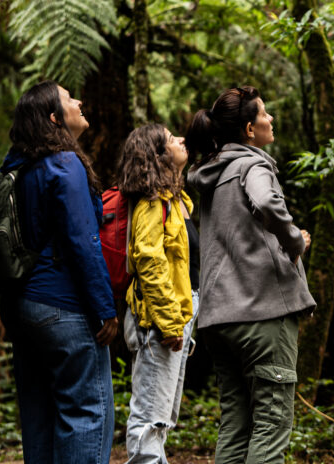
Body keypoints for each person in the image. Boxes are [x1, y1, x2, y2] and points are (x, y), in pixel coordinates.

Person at [185, 85, 315, 464]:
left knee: (236, 424)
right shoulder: (253, 164)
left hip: (217, 320)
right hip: (261, 314)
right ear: (248, 128)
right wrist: (295, 242)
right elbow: (264, 201)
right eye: (264, 114)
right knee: (271, 424)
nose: (270, 119)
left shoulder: (210, 175)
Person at [0, 80, 117, 464]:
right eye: (70, 99)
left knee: (40, 417)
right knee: (86, 411)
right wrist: (105, 306)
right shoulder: (64, 164)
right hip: (62, 306)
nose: (80, 102)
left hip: (23, 308)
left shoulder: (17, 168)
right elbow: (82, 241)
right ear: (55, 118)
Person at [118, 123, 199, 464]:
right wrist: (169, 323)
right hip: (157, 323)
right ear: (158, 156)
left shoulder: (178, 202)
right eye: (171, 139)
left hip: (176, 318)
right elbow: (148, 260)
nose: (181, 139)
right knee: (150, 419)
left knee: (161, 419)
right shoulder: (152, 204)